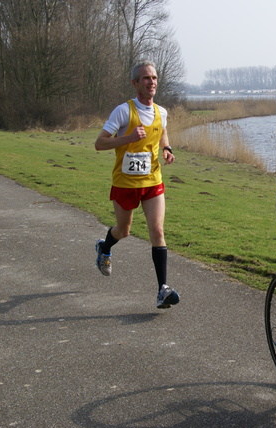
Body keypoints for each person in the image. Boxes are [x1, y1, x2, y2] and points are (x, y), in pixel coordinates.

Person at [94, 60, 179, 309]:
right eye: (146, 78)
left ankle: (162, 290)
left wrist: (167, 148)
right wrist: (128, 138)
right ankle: (104, 246)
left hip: (153, 180)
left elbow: (161, 130)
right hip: (125, 183)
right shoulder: (123, 111)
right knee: (124, 230)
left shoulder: (161, 111)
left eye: (153, 78)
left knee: (158, 231)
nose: (151, 82)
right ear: (135, 83)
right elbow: (99, 143)